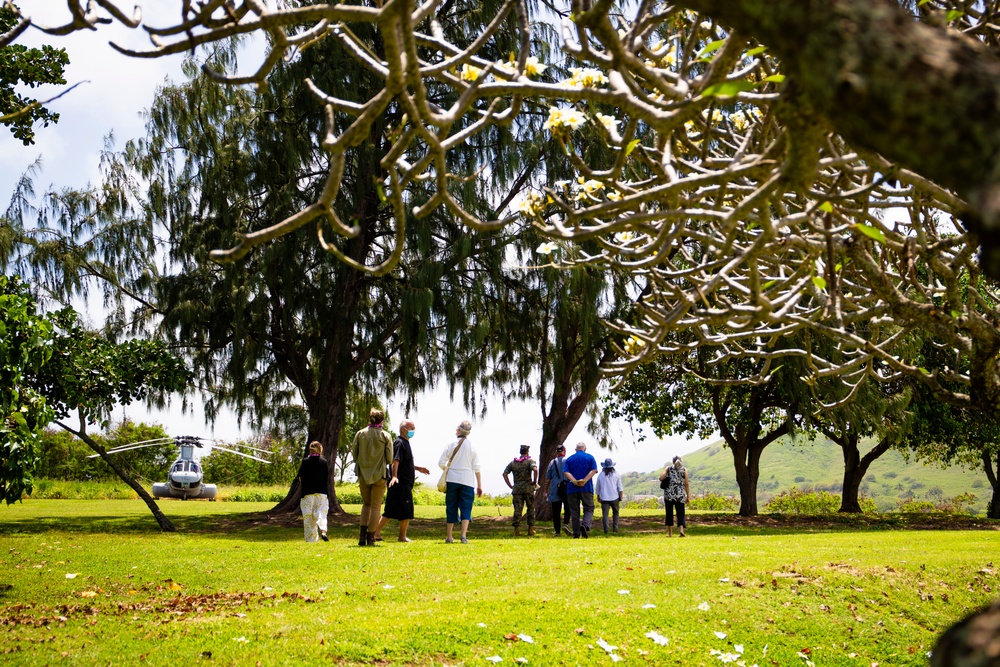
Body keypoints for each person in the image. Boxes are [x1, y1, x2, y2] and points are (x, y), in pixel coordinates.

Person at [374, 419, 430, 542]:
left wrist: (418, 468)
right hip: (400, 483)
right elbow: (396, 461)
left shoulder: (405, 443)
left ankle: (375, 533)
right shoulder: (400, 443)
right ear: (404, 429)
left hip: (401, 483)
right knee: (406, 510)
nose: (413, 431)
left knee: (390, 511)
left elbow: (404, 463)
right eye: (411, 428)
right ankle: (402, 537)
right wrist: (395, 476)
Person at [351, 407, 394, 546]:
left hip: (363, 474)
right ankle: (371, 538)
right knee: (376, 507)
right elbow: (389, 459)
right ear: (382, 420)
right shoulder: (385, 436)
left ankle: (362, 537)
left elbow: (354, 454)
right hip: (379, 475)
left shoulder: (360, 434)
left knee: (366, 504)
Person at [438, 420, 482, 544]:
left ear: (459, 430)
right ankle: (463, 536)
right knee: (466, 508)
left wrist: (448, 469)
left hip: (452, 479)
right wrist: (479, 485)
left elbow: (441, 462)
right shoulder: (472, 446)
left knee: (451, 506)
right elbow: (477, 467)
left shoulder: (450, 444)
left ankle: (449, 536)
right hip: (467, 480)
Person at [562, 441, 598, 538]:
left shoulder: (569, 459)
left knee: (574, 512)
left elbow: (565, 472)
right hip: (586, 488)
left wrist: (574, 481)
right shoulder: (590, 457)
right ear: (585, 449)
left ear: (575, 449)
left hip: (572, 489)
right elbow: (594, 470)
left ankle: (576, 533)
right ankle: (585, 525)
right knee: (589, 508)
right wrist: (584, 480)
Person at [296, 440, 330, 543]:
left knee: (308, 516)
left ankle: (311, 539)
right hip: (321, 492)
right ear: (320, 449)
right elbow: (326, 477)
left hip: (308, 493)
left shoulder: (305, 461)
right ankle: (323, 530)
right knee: (321, 513)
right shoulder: (324, 462)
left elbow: (300, 477)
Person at [502, 444, 538, 536]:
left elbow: (505, 474)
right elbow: (535, 470)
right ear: (527, 452)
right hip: (528, 489)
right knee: (530, 508)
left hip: (517, 489)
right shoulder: (530, 461)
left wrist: (510, 485)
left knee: (517, 509)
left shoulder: (513, 463)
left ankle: (516, 530)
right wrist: (534, 481)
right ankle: (530, 529)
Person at [659, 456, 690, 537]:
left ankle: (670, 533)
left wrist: (666, 476)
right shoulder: (684, 470)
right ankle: (681, 530)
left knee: (669, 513)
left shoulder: (668, 468)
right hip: (680, 495)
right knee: (680, 513)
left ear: (673, 462)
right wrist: (688, 496)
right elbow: (686, 484)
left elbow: (661, 478)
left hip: (669, 495)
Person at [544, 444, 572, 536]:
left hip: (554, 489)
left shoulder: (552, 462)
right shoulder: (568, 461)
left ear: (556, 452)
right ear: (564, 451)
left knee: (556, 511)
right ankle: (566, 524)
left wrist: (545, 490)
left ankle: (557, 531)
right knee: (567, 507)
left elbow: (548, 478)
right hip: (566, 488)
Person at [595, 458, 623, 534]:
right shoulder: (616, 475)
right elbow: (620, 487)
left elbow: (598, 487)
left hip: (604, 497)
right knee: (616, 513)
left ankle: (606, 530)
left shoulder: (601, 475)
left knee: (605, 515)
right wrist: (621, 496)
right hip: (615, 497)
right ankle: (615, 529)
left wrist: (598, 496)